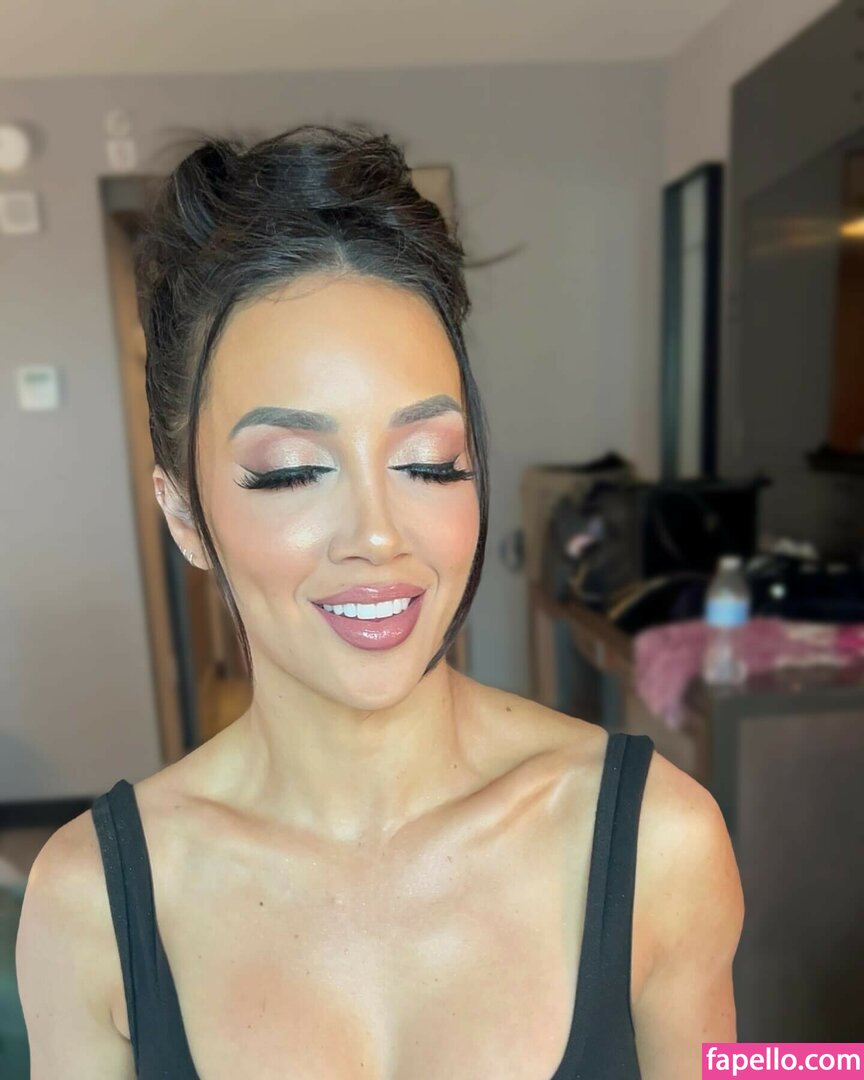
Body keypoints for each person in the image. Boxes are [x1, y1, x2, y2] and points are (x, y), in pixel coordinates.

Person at [15, 124, 744, 1079]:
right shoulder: (91, 906)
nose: (378, 534)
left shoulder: (659, 841)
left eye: (428, 463)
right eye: (291, 471)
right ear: (184, 514)